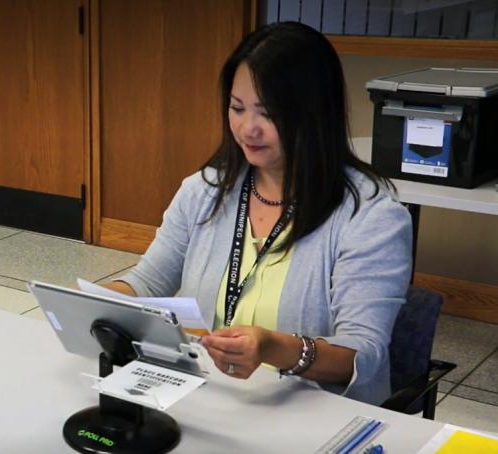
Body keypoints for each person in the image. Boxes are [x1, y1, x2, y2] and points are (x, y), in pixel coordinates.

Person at [106, 22, 412, 405]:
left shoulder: (370, 218)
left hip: (309, 411)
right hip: (210, 397)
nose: (247, 128)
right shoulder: (206, 190)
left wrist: (274, 348)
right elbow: (149, 281)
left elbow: (361, 355)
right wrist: (101, 299)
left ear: (315, 114)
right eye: (237, 108)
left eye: (268, 114)